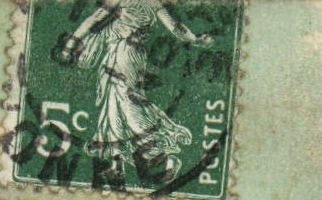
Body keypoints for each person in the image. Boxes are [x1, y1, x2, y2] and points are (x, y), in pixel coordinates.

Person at [52, 0, 214, 186]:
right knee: (112, 103)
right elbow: (175, 28)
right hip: (123, 53)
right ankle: (117, 162)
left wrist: (71, 43)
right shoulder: (155, 3)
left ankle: (163, 156)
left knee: (126, 103)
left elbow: (95, 18)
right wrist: (194, 39)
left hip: (124, 53)